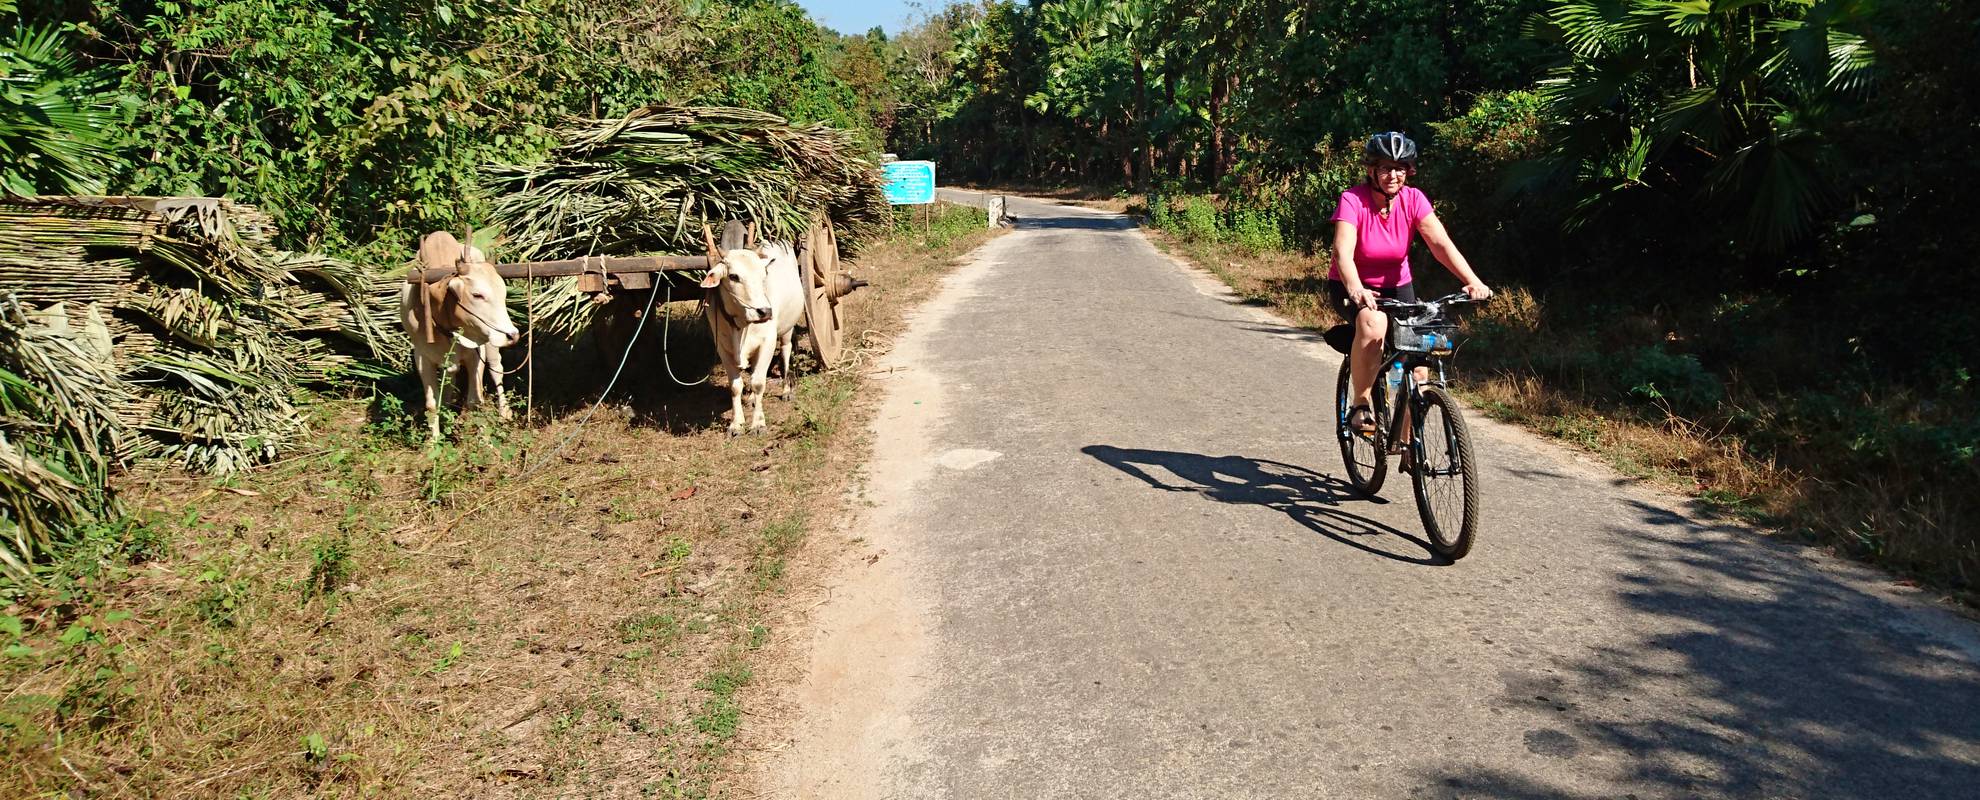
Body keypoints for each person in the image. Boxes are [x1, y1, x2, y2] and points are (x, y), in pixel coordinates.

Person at [1327, 131, 1492, 435]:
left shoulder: (1414, 199)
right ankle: (1361, 405)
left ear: (1409, 171)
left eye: (1400, 168)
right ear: (1371, 170)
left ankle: (1406, 444)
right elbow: (1343, 253)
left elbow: (1441, 245)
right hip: (1353, 286)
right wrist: (1357, 289)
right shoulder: (1353, 200)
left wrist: (1472, 281)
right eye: (1386, 168)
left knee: (1418, 367)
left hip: (1399, 287)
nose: (1393, 175)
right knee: (1373, 323)